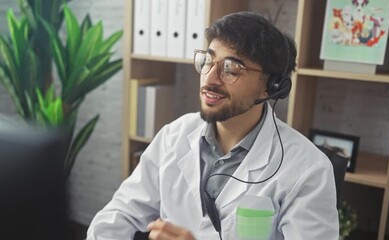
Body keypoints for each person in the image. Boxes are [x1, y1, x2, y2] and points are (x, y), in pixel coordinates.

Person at [87, 11, 339, 240]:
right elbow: (120, 214)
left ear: (271, 86)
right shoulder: (173, 136)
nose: (210, 78)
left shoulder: (309, 170)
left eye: (231, 68)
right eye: (208, 61)